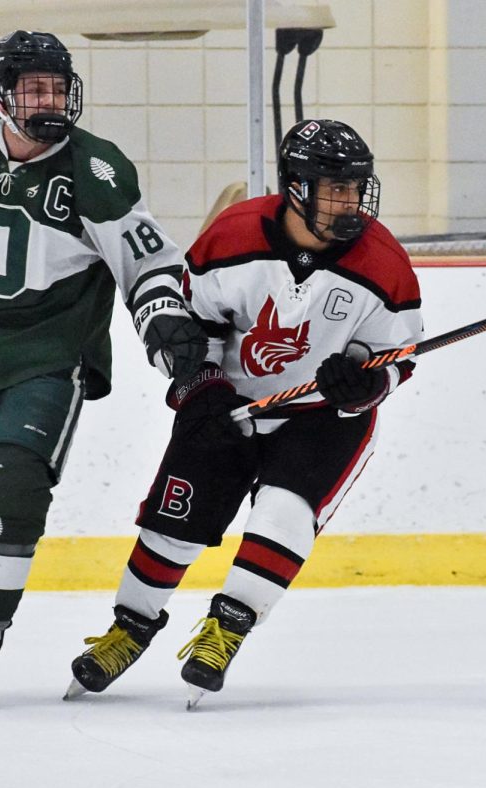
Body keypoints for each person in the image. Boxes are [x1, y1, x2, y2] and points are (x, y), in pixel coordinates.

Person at [0, 30, 206, 706]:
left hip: (50, 356)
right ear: (1, 95)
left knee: (16, 482)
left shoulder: (96, 168)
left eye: (57, 87)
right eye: (32, 88)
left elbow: (147, 261)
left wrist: (164, 318)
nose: (48, 100)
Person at [65, 119, 424, 708]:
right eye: (333, 188)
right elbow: (191, 332)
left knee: (283, 512)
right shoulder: (232, 238)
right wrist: (202, 389)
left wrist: (361, 383)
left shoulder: (383, 264)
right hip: (230, 405)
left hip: (322, 418)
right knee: (172, 524)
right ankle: (128, 630)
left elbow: (398, 361)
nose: (349, 202)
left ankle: (225, 630)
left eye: (356, 188)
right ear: (296, 188)